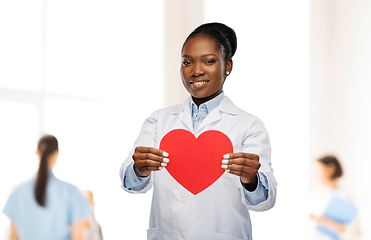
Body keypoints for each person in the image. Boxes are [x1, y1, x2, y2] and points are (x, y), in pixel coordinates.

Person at [119, 22, 277, 240]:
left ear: (227, 66)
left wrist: (251, 179)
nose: (196, 71)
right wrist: (139, 169)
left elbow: (263, 201)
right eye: (187, 62)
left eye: (209, 61)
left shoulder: (248, 125)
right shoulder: (159, 120)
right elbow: (131, 184)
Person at [2, 135, 92, 240]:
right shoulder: (71, 191)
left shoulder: (18, 191)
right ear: (57, 153)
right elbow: (78, 237)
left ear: (37, 153)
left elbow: (13, 236)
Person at [309, 155, 361, 240]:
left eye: (317, 171)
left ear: (331, 169)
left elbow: (355, 233)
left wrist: (324, 221)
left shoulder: (344, 197)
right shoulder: (314, 194)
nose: (314, 175)